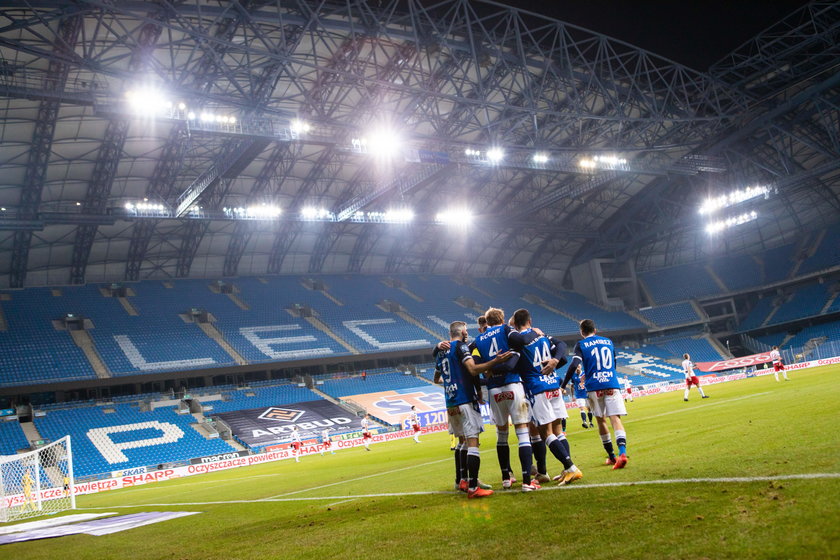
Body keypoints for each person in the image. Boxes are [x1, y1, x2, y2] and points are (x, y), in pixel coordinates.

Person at [433, 320, 512, 498]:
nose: (467, 333)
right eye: (466, 330)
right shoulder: (461, 347)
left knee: (462, 442)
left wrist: (452, 379)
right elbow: (474, 369)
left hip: (451, 402)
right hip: (464, 400)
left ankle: (462, 480)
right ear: (461, 332)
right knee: (472, 442)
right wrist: (495, 361)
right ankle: (473, 487)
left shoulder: (441, 351)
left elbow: (436, 378)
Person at [509, 308, 583, 486]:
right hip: (553, 385)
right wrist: (554, 362)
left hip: (537, 388)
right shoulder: (541, 335)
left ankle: (571, 468)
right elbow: (563, 350)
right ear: (530, 320)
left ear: (515, 324)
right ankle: (566, 469)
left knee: (546, 432)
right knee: (558, 431)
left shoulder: (519, 340)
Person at [471, 307, 538, 490]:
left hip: (494, 389)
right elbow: (522, 340)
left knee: (502, 434)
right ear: (501, 318)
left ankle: (506, 478)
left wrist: (486, 367)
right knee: (522, 432)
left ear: (487, 321)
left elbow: (470, 356)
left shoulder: (478, 339)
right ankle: (526, 481)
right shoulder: (506, 330)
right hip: (512, 384)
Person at [562, 319, 628, 470]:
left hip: (594, 387)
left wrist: (564, 384)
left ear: (581, 332)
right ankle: (622, 453)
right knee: (615, 419)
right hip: (611, 382)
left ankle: (612, 457)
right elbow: (614, 363)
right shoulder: (608, 341)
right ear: (595, 330)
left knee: (601, 421)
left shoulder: (581, 344)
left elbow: (574, 365)